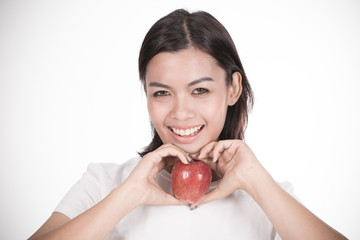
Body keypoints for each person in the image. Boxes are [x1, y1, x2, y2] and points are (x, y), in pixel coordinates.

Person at [28, 9, 347, 240]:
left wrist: (255, 180)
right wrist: (128, 196)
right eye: (162, 92)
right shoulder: (104, 183)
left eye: (200, 90)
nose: (181, 113)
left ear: (233, 89)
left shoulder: (269, 197)